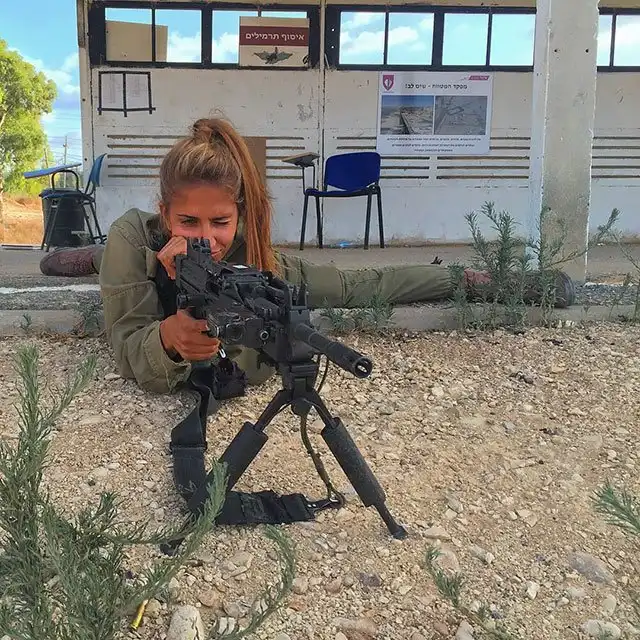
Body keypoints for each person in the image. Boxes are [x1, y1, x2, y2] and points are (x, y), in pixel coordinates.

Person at [39, 118, 575, 395]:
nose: (207, 237)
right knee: (101, 259)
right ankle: (86, 257)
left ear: (240, 216)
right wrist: (169, 338)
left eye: (220, 222)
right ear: (166, 213)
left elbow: (367, 287)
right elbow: (128, 349)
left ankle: (486, 278)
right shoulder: (135, 237)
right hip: (125, 255)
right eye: (189, 223)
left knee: (356, 285)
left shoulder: (253, 258)